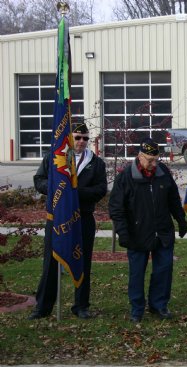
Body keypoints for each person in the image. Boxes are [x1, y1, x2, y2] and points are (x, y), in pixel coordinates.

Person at [29, 121, 107, 320]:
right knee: (51, 262)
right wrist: (57, 189)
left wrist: (75, 193)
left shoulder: (96, 163)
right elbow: (39, 180)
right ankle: (43, 306)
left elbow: (100, 190)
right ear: (69, 138)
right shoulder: (54, 157)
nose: (81, 142)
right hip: (57, 219)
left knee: (83, 262)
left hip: (83, 219)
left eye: (85, 138)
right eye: (77, 137)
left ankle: (81, 305)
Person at [108, 138, 187, 323]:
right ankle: (137, 308)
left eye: (156, 160)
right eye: (149, 160)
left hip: (163, 231)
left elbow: (173, 199)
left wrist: (181, 220)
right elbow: (116, 208)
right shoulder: (126, 177)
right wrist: (123, 232)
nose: (153, 164)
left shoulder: (163, 173)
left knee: (164, 270)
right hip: (137, 234)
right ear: (139, 156)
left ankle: (159, 305)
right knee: (137, 273)